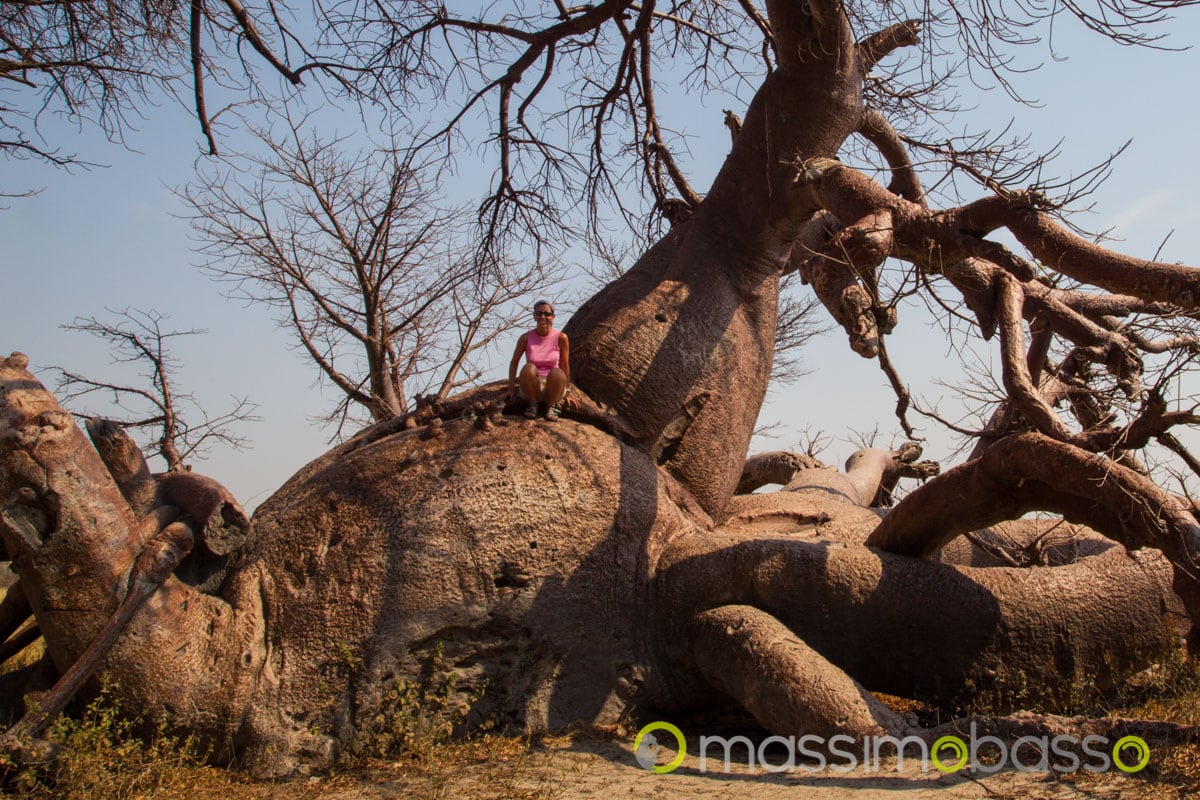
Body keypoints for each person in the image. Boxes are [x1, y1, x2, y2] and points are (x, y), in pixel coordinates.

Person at [508, 300, 574, 421]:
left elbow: (565, 365)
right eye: (539, 313)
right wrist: (510, 389)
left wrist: (568, 392)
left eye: (547, 314)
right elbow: (514, 362)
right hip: (532, 387)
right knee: (529, 368)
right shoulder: (525, 338)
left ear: (553, 317)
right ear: (534, 316)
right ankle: (533, 404)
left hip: (553, 386)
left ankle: (552, 405)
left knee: (557, 371)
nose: (543, 317)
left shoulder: (561, 338)